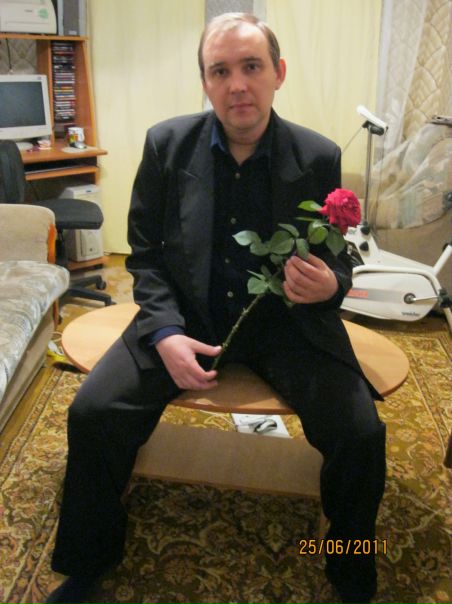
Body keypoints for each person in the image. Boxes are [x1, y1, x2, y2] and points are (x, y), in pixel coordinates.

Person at [47, 12, 386, 604]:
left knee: (361, 435)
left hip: (285, 327)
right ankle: (87, 564)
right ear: (205, 81)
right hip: (183, 318)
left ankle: (349, 570)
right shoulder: (166, 145)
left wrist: (329, 286)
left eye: (251, 67)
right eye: (220, 71)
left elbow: (338, 258)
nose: (237, 85)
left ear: (278, 73)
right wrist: (165, 332)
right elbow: (145, 254)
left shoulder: (318, 155)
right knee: (93, 412)